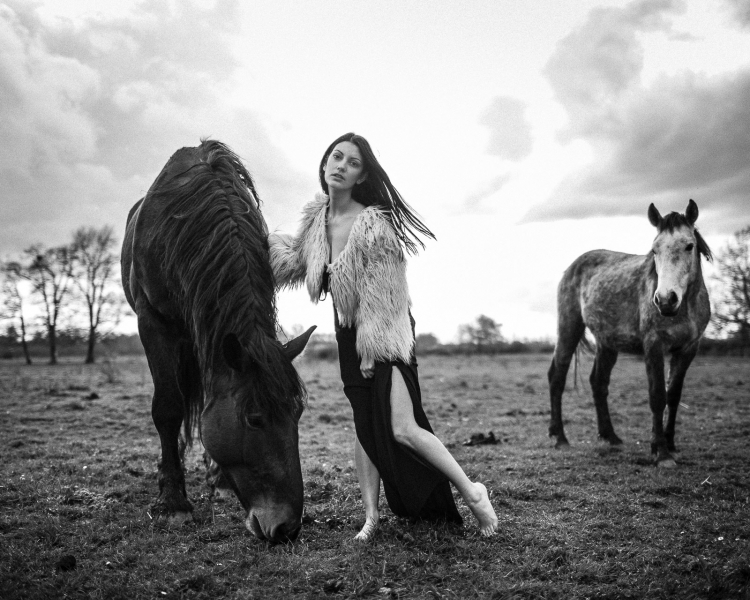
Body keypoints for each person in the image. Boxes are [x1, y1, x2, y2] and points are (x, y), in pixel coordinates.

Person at [269, 132, 498, 540]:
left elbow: (386, 297)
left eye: (352, 162)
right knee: (364, 426)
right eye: (336, 157)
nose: (340, 165)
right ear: (324, 164)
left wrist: (371, 353)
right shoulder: (317, 220)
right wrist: (258, 241)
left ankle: (473, 493)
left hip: (387, 334)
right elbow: (294, 263)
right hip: (347, 333)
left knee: (400, 428)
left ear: (361, 175)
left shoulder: (374, 224)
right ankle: (371, 516)